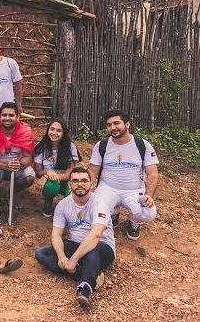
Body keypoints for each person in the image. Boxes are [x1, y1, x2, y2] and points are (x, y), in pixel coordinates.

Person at [35, 167, 115, 310]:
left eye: (84, 181)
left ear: (92, 184)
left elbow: (96, 234)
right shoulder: (63, 205)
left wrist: (73, 259)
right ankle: (88, 274)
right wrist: (61, 257)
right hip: (75, 244)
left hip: (102, 247)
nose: (80, 184)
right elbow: (56, 234)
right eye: (75, 181)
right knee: (41, 253)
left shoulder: (100, 204)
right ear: (70, 184)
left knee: (93, 249)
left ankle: (85, 287)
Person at [88, 109, 159, 240]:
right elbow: (93, 170)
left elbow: (153, 173)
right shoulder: (102, 145)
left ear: (127, 124)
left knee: (148, 212)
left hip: (134, 190)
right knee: (93, 210)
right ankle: (113, 213)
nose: (113, 127)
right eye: (109, 125)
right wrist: (86, 187)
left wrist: (148, 194)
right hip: (107, 187)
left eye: (116, 123)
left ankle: (135, 221)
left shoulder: (142, 145)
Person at [0, 102, 34, 218]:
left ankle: (14, 192)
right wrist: (5, 166)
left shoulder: (25, 130)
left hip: (17, 167)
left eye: (11, 115)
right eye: (4, 115)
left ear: (17, 117)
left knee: (29, 176)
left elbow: (28, 157)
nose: (7, 118)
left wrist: (19, 164)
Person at [34, 119, 80, 218]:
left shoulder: (71, 147)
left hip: (65, 180)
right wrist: (48, 172)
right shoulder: (41, 147)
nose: (54, 133)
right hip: (50, 182)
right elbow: (38, 172)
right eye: (52, 129)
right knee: (52, 187)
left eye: (59, 131)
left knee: (72, 194)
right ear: (48, 130)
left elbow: (69, 173)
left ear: (64, 133)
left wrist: (53, 176)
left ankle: (68, 211)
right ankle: (48, 202)